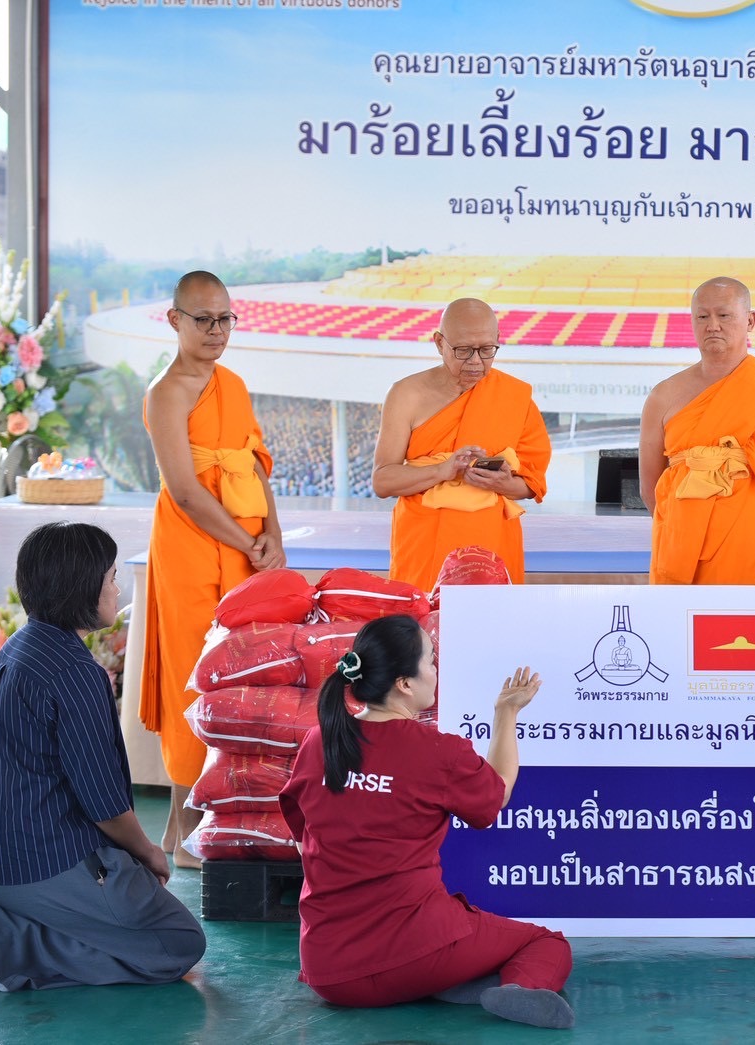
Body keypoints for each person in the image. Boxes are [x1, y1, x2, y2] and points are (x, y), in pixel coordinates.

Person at [278, 615, 574, 1028]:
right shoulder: (438, 752)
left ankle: (439, 981)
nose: (437, 673)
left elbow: (301, 837)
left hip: (328, 971)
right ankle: (515, 988)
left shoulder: (318, 742)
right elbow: (497, 794)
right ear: (404, 682)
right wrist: (507, 713)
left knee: (437, 948)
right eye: (432, 662)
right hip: (415, 950)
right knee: (546, 943)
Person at [0, 522, 207, 991]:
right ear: (82, 586)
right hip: (40, 865)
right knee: (177, 945)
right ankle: (12, 940)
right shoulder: (75, 673)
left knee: (132, 905)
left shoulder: (20, 647)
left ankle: (17, 923)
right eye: (112, 577)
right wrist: (148, 853)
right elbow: (106, 806)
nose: (116, 590)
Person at [142, 269, 285, 868]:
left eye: (226, 318)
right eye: (204, 319)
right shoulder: (166, 392)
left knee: (239, 678)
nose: (217, 330)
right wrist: (247, 542)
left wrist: (272, 534)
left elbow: (253, 467)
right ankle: (186, 825)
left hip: (243, 543)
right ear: (174, 320)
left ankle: (214, 820)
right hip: (190, 546)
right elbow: (186, 491)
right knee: (192, 676)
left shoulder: (234, 384)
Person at [640, 277, 755, 584]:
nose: (713, 326)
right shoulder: (663, 395)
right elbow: (650, 488)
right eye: (702, 316)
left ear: (750, 321)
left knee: (749, 631)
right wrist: (683, 524)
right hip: (680, 548)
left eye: (724, 315)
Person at [373, 298, 551, 590]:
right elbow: (382, 481)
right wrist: (444, 470)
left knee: (491, 626)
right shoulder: (406, 394)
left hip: (491, 540)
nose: (475, 362)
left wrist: (501, 483)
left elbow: (531, 485)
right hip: (424, 540)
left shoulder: (514, 396)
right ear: (439, 342)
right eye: (464, 350)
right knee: (421, 630)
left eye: (486, 350)